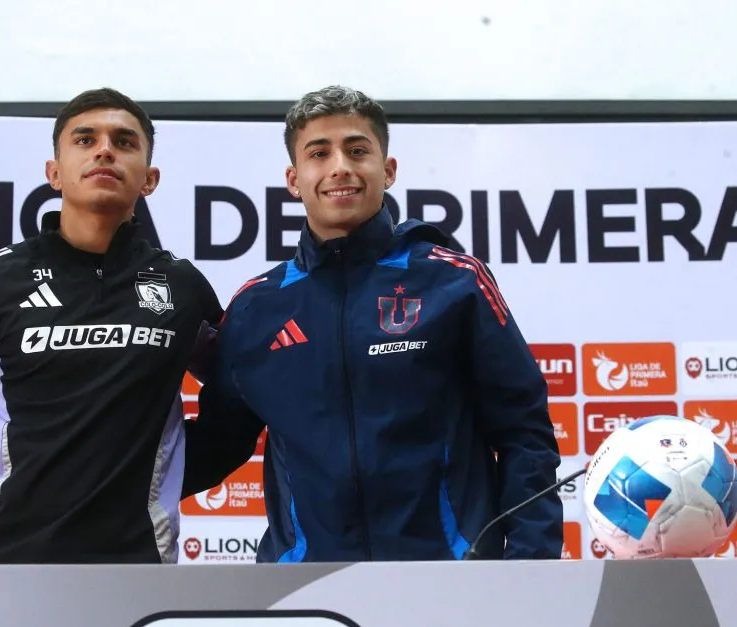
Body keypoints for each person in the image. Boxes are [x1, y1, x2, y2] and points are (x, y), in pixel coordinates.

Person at [182, 85, 562, 562]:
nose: (340, 165)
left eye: (357, 150)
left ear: (387, 170)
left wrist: (531, 564)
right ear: (294, 179)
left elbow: (523, 433)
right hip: (305, 593)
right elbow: (217, 443)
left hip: (453, 580)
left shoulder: (454, 281)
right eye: (319, 153)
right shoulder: (255, 308)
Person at [0, 87, 223, 564]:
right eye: (85, 139)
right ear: (54, 173)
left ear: (150, 178)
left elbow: (239, 400)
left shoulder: (182, 287)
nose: (104, 149)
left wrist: (173, 472)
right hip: (0, 558)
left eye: (124, 142)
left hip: (136, 559)